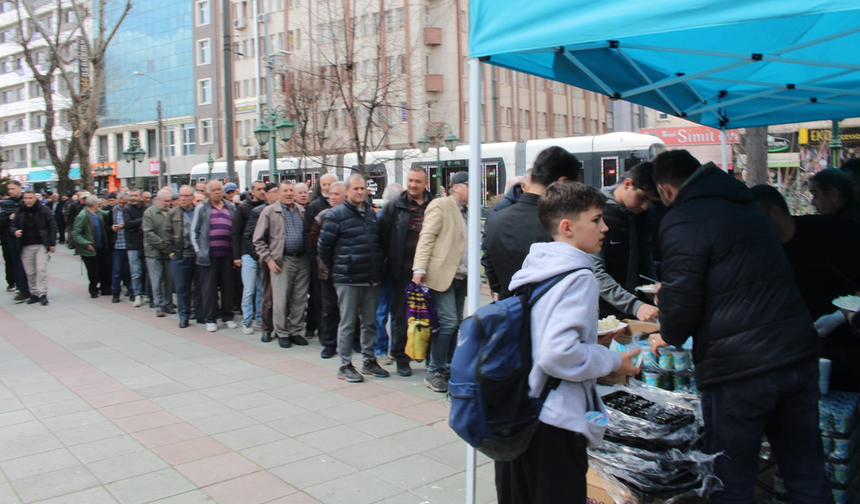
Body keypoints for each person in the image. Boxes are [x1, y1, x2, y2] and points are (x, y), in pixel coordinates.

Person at [648, 150, 830, 503]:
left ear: (666, 190)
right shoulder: (746, 203)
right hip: (795, 352)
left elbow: (682, 306)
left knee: (731, 481)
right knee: (805, 471)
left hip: (740, 369)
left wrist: (667, 331)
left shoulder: (684, 218)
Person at [497, 181, 640, 503]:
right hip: (555, 423)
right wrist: (615, 361)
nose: (605, 227)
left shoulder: (539, 267)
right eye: (596, 219)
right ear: (567, 227)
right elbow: (557, 354)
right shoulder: (578, 277)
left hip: (525, 413)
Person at [752, 184, 860, 391]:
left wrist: (839, 316)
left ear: (774, 213)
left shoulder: (833, 232)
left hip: (850, 347)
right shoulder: (764, 253)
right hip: (805, 354)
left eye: (754, 220)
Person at [484, 147, 582, 301]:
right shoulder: (560, 225)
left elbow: (491, 274)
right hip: (551, 315)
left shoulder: (496, 219)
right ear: (562, 182)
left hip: (508, 311)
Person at [318, 174, 389, 382]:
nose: (360, 192)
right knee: (348, 323)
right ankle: (345, 365)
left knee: (369, 322)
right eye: (356, 188)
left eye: (363, 188)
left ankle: (369, 360)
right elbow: (324, 247)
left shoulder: (370, 213)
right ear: (347, 191)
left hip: (371, 277)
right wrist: (338, 269)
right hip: (347, 279)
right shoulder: (336, 215)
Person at [412, 171, 471, 392]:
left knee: (455, 322)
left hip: (461, 276)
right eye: (469, 185)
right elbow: (426, 236)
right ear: (457, 187)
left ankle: (447, 366)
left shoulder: (468, 211)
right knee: (448, 323)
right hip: (442, 275)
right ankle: (434, 370)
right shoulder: (441, 205)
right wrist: (419, 268)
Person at [379, 168, 434, 376]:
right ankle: (402, 358)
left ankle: (430, 356)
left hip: (430, 273)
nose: (413, 185)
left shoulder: (434, 204)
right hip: (402, 273)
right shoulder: (395, 207)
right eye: (410, 180)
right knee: (402, 318)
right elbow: (384, 237)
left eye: (417, 181)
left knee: (430, 317)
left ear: (425, 183)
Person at [593, 162, 659, 320]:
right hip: (604, 316)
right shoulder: (596, 211)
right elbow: (596, 272)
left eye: (650, 202)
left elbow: (645, 260)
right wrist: (635, 305)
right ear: (628, 184)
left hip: (631, 311)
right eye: (643, 198)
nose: (644, 206)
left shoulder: (638, 215)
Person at [253, 182, 310, 348]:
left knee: (299, 299)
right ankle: (282, 332)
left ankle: (295, 331)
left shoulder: (301, 210)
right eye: (285, 191)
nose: (289, 194)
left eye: (291, 190)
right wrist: (269, 260)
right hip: (282, 261)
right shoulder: (269, 211)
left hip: (302, 260)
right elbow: (258, 239)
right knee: (280, 300)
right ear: (278, 193)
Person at [191, 181, 239, 332]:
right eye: (213, 190)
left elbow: (236, 230)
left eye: (219, 189)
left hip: (227, 255)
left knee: (228, 287)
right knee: (209, 289)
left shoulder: (231, 207)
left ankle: (227, 316)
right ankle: (210, 319)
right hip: (208, 255)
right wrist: (199, 251)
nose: (217, 192)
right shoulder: (202, 208)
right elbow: (194, 231)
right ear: (208, 192)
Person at [307, 181, 346, 358]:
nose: (332, 197)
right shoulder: (322, 216)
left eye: (336, 194)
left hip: (347, 271)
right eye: (330, 194)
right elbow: (312, 240)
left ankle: (353, 341)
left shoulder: (353, 214)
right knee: (329, 308)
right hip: (327, 270)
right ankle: (329, 343)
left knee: (349, 309)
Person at [244, 183, 281, 342]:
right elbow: (249, 236)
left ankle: (280, 326)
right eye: (275, 192)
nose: (278, 194)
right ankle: (266, 327)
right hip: (266, 259)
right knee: (266, 295)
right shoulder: (258, 211)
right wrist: (259, 256)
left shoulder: (286, 210)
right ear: (267, 195)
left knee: (281, 296)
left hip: (281, 259)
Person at [373, 183, 403, 364]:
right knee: (385, 311)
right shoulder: (381, 218)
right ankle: (383, 349)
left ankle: (388, 349)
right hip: (386, 272)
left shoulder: (383, 216)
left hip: (391, 271)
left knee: (391, 311)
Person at [305, 173, 338, 339]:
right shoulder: (314, 207)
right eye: (323, 184)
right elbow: (308, 236)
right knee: (320, 299)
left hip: (338, 263)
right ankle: (323, 333)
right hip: (319, 262)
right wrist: (314, 259)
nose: (326, 187)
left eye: (329, 184)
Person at [11, 190, 57, 305]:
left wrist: (52, 243)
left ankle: (42, 294)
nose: (28, 200)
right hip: (25, 245)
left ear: (35, 198)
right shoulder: (20, 211)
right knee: (30, 272)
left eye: (30, 198)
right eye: (26, 198)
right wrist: (15, 231)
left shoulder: (43, 209)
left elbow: (52, 225)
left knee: (41, 270)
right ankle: (34, 293)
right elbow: (13, 226)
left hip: (41, 244)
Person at [234, 180, 267, 334]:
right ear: (251, 192)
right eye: (258, 189)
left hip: (262, 254)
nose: (261, 191)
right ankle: (247, 320)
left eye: (263, 189)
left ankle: (260, 318)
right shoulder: (243, 208)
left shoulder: (267, 208)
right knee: (249, 290)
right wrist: (237, 255)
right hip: (248, 254)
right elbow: (237, 232)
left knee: (261, 289)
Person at [164, 185, 199, 328]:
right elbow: (167, 233)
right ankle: (184, 316)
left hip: (197, 255)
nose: (183, 199)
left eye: (186, 196)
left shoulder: (198, 211)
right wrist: (171, 252)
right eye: (181, 196)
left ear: (192, 197)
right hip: (180, 254)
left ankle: (199, 313)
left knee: (200, 286)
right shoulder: (173, 213)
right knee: (182, 287)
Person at [143, 189, 175, 317]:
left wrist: (169, 247)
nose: (168, 203)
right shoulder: (149, 213)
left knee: (169, 279)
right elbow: (149, 232)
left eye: (169, 201)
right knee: (156, 280)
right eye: (165, 201)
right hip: (153, 252)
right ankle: (159, 305)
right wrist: (162, 245)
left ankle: (168, 304)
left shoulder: (172, 213)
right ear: (157, 200)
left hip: (169, 252)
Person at [72, 195, 112, 298]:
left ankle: (105, 289)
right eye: (98, 203)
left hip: (101, 247)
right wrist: (86, 243)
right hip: (89, 249)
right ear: (94, 204)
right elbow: (76, 233)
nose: (100, 204)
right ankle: (93, 290)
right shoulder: (82, 216)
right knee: (93, 272)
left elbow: (109, 214)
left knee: (105, 269)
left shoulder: (98, 213)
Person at [0, 180, 28, 300]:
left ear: (20, 188)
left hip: (27, 237)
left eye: (13, 189)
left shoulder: (26, 200)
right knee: (14, 262)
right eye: (9, 189)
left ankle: (30, 287)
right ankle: (19, 286)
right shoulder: (5, 203)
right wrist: (9, 217)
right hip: (10, 237)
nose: (10, 191)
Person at [123, 189, 149, 307]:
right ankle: (137, 295)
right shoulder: (127, 209)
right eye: (131, 195)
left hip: (145, 244)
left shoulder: (147, 208)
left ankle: (148, 294)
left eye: (135, 195)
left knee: (147, 271)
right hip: (132, 244)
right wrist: (142, 220)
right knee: (136, 272)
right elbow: (128, 225)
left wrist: (136, 223)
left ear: (141, 197)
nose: (132, 198)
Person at [110, 192, 131, 303]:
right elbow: (108, 225)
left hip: (129, 244)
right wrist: (112, 228)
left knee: (130, 270)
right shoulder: (113, 210)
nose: (121, 205)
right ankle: (115, 292)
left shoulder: (130, 210)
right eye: (120, 202)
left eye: (124, 203)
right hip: (118, 244)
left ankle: (131, 291)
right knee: (117, 270)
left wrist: (126, 226)